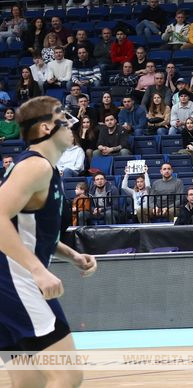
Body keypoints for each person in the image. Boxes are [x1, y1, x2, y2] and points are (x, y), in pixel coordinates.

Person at [0, 97, 97, 387]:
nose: (70, 127)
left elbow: (27, 231)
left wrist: (72, 256)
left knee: (29, 381)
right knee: (67, 375)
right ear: (45, 128)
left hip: (9, 283)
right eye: (63, 120)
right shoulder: (36, 167)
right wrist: (37, 270)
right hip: (14, 281)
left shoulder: (44, 169)